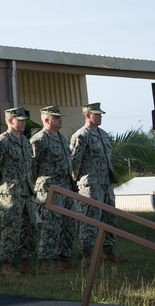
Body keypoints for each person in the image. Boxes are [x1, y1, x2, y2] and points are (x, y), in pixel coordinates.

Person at [0, 107, 36, 277]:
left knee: (29, 228)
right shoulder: (2, 142)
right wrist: (2, 186)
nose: (22, 122)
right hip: (11, 193)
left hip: (27, 192)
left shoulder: (26, 142)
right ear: (9, 121)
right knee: (11, 229)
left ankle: (25, 262)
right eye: (19, 120)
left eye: (23, 120)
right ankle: (6, 265)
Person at [71, 102, 123, 263]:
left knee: (109, 218)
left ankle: (108, 251)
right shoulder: (81, 136)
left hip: (105, 184)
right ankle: (88, 254)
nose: (100, 117)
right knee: (90, 219)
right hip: (90, 185)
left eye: (101, 114)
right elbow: (74, 161)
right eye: (97, 114)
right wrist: (77, 182)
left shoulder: (104, 135)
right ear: (87, 115)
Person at [30, 105, 76, 273]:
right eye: (57, 117)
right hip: (49, 190)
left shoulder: (63, 138)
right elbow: (32, 166)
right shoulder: (39, 140)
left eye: (60, 117)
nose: (60, 119)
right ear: (46, 119)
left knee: (68, 224)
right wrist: (38, 186)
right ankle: (46, 262)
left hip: (66, 188)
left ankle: (64, 259)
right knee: (51, 225)